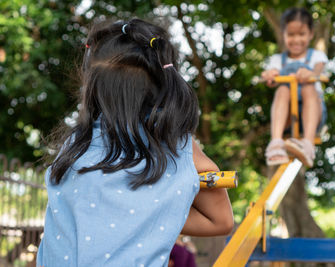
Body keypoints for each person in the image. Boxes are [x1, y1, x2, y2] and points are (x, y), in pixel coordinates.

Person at [36, 18, 233, 267]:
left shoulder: (74, 147)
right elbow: (222, 221)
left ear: (92, 87)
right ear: (163, 87)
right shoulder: (173, 149)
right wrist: (151, 209)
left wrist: (136, 211)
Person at [261, 7, 328, 168]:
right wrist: (270, 75)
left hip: (313, 116)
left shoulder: (317, 57)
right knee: (283, 89)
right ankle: (276, 143)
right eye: (291, 35)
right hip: (288, 119)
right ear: (284, 35)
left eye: (301, 34)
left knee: (308, 87)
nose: (296, 39)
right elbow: (271, 80)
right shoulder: (278, 60)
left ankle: (308, 144)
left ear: (311, 34)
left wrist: (310, 73)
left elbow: (318, 72)